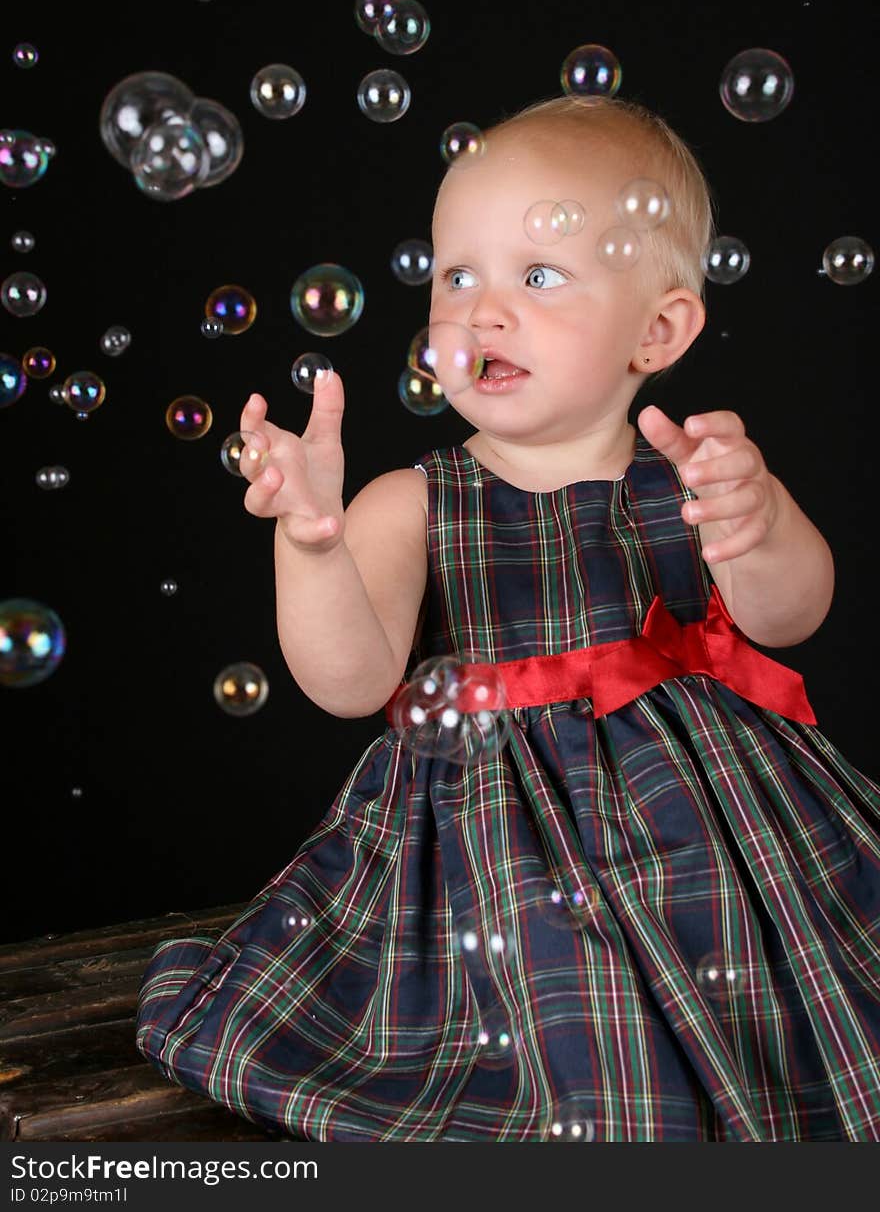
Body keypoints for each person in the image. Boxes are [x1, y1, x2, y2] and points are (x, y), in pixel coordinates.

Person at [135, 94, 880, 1141]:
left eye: (536, 277)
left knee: (781, 987)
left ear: (656, 329)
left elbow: (791, 617)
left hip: (705, 825)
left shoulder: (693, 476)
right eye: (456, 276)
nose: (481, 311)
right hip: (493, 847)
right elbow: (348, 681)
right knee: (566, 1014)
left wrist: (757, 528)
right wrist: (313, 543)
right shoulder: (413, 501)